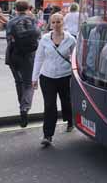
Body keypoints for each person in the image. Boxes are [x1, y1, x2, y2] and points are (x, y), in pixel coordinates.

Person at [32, 13, 76, 147]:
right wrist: (34, 78)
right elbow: (39, 58)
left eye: (59, 22)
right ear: (50, 24)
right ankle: (48, 135)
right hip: (47, 77)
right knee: (50, 105)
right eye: (54, 22)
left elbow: (75, 59)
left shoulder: (71, 39)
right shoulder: (45, 39)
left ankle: (70, 120)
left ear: (63, 22)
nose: (56, 25)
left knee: (66, 101)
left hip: (65, 76)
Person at [6, 0, 41, 128]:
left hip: (13, 55)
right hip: (29, 56)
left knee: (18, 82)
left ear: (15, 9)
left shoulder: (11, 22)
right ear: (28, 8)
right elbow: (38, 36)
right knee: (28, 84)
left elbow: (9, 37)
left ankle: (21, 104)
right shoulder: (32, 20)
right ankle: (24, 108)